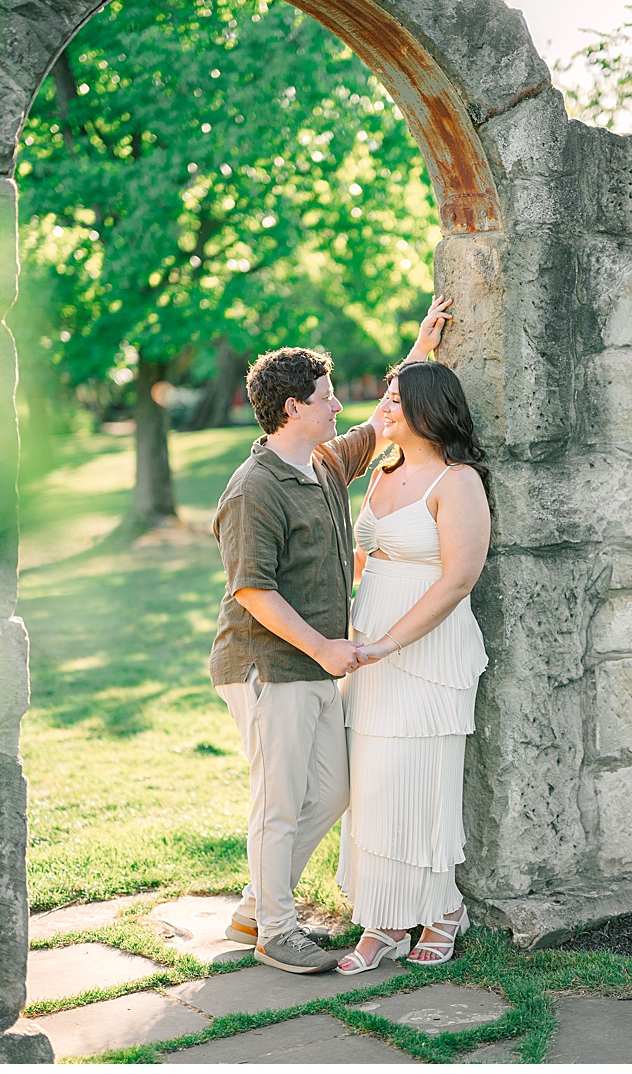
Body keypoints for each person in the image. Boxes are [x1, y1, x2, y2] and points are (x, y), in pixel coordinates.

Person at [210, 296, 451, 974]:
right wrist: (325, 648)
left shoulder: (321, 463)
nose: (338, 405)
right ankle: (274, 930)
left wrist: (418, 351)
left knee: (334, 791)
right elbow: (252, 589)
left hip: (314, 668)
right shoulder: (254, 487)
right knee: (280, 802)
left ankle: (261, 900)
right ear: (292, 407)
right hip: (267, 668)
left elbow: (381, 423)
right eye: (326, 396)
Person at [333, 357, 491, 973]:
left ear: (428, 410)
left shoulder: (458, 483)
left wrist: (390, 642)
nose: (384, 406)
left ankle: (442, 909)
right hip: (368, 650)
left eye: (396, 398)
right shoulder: (382, 473)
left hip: (427, 653)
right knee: (370, 783)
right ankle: (385, 919)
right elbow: (366, 562)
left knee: (422, 778)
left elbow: (457, 580)